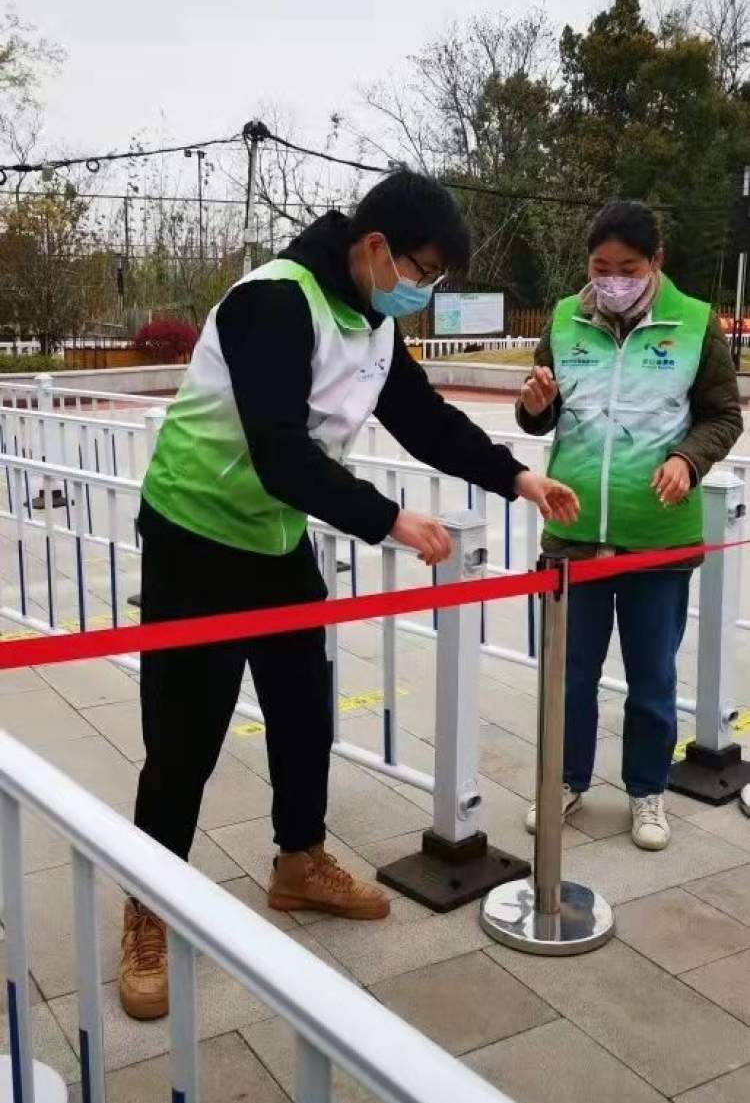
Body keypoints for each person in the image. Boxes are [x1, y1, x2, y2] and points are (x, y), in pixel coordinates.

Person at [119, 169, 580, 1020]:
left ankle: (300, 861)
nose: (423, 290)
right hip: (196, 539)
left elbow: (424, 419)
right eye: (422, 271)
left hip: (274, 541)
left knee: (304, 711)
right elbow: (279, 453)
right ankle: (147, 906)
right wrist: (390, 519)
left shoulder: (373, 322)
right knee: (183, 738)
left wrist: (517, 476)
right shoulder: (273, 302)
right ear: (375, 248)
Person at [517, 200, 743, 853]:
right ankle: (563, 780)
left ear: (656, 262)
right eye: (601, 267)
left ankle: (647, 790)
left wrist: (686, 459)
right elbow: (540, 412)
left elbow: (723, 416)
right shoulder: (564, 319)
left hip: (658, 539)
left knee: (652, 678)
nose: (612, 280)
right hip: (573, 532)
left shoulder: (695, 323)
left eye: (628, 268)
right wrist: (534, 406)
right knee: (569, 674)